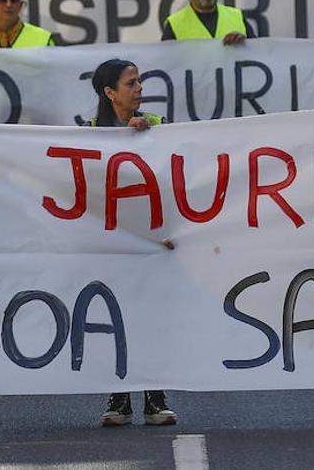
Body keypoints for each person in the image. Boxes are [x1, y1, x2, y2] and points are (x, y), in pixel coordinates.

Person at [86, 58, 178, 429]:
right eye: (131, 83)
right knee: (114, 317)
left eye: (139, 81)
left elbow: (177, 179)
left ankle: (156, 396)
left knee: (152, 318)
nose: (140, 88)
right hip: (110, 242)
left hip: (153, 239)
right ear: (110, 93)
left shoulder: (160, 127)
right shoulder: (88, 134)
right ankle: (119, 396)